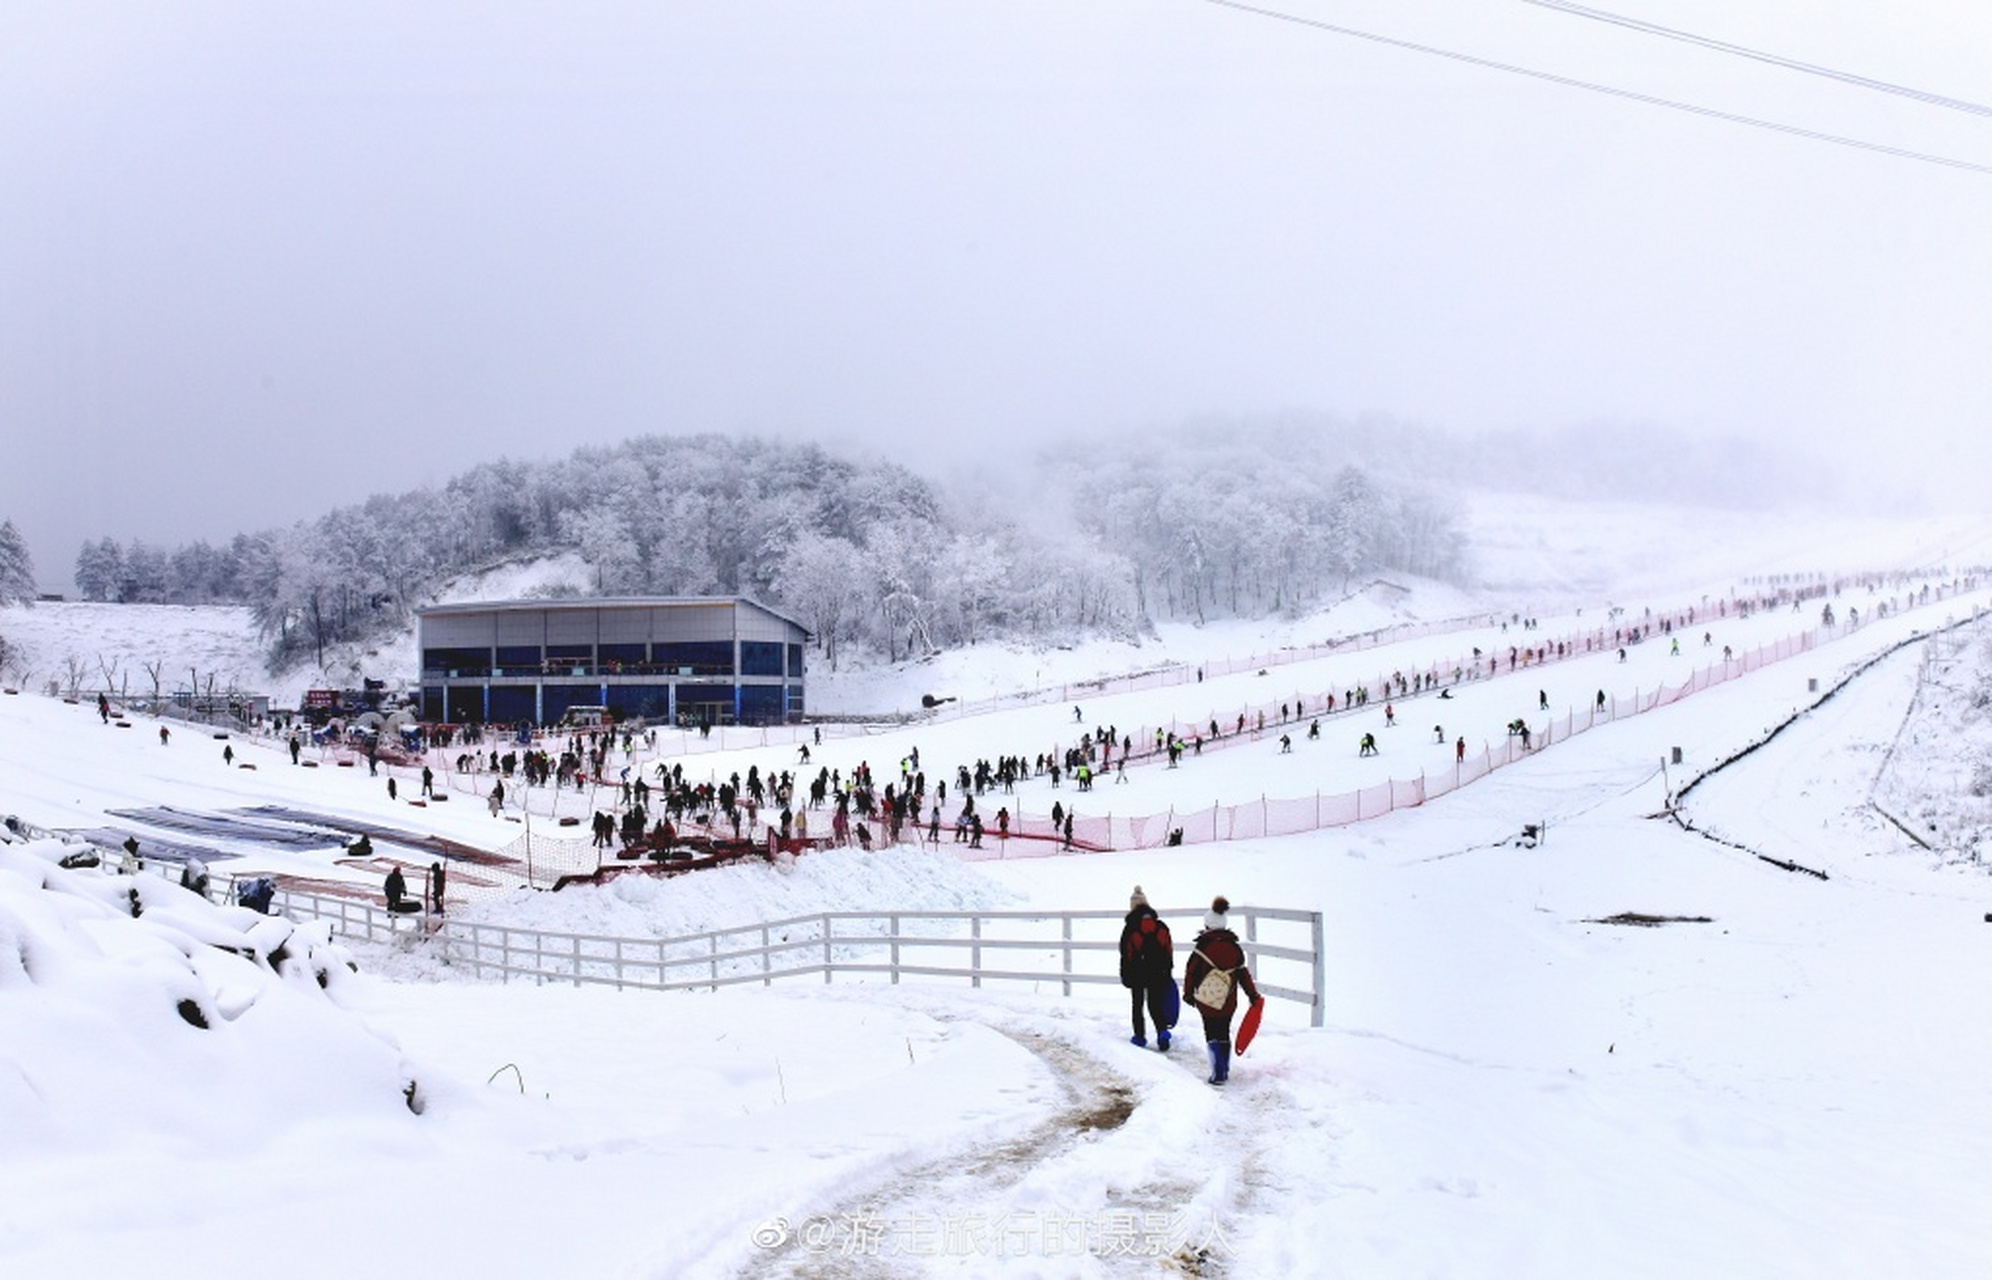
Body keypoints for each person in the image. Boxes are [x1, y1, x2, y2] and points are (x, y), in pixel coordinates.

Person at [1184, 896, 1262, 1086]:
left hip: (1206, 1000)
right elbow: (1243, 974)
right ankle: (1224, 1067)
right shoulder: (1235, 948)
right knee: (1224, 1032)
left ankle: (1217, 1072)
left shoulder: (1202, 947)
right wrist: (1253, 995)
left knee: (1211, 1032)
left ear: (1207, 925)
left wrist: (1188, 994)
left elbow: (1191, 972)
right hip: (1228, 1000)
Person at [1119, 886, 1175, 1051]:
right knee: (1155, 1004)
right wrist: (1167, 970)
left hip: (1137, 973)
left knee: (1137, 1005)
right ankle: (1162, 1032)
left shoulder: (1130, 928)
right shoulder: (1160, 926)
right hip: (1158, 971)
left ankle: (1139, 1037)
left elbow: (1126, 953)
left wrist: (1126, 973)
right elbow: (1168, 949)